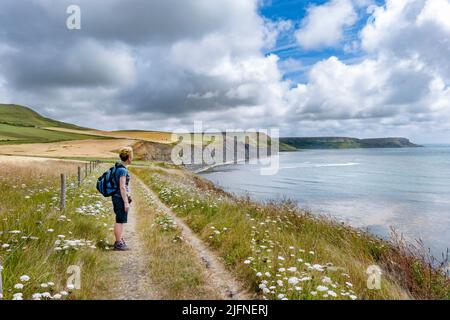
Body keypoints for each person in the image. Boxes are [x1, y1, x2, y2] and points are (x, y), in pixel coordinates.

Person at [112, 147, 133, 251]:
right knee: (119, 220)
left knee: (119, 219)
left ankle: (119, 239)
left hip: (116, 197)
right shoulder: (123, 170)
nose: (132, 158)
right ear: (129, 157)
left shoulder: (117, 167)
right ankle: (118, 243)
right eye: (131, 156)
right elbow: (122, 187)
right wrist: (126, 202)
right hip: (120, 198)